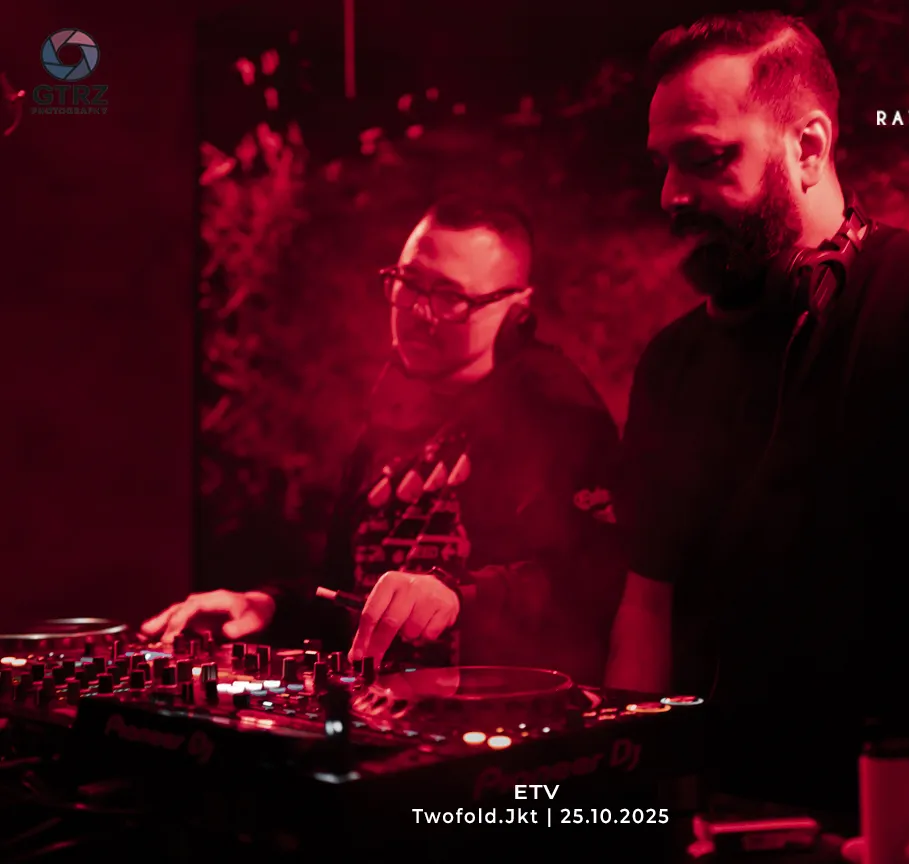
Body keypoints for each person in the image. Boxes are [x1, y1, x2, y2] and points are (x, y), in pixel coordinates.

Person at [605, 11, 909, 863]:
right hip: (714, 821)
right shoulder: (671, 362)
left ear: (809, 147)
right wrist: (625, 788)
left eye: (706, 159)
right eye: (662, 164)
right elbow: (648, 602)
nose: (671, 195)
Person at [143, 195, 624, 685]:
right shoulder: (393, 407)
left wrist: (459, 596)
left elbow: (589, 580)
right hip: (377, 706)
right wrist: (268, 607)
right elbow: (348, 593)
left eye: (450, 297)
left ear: (518, 309)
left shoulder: (557, 409)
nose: (417, 311)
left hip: (495, 711)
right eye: (408, 283)